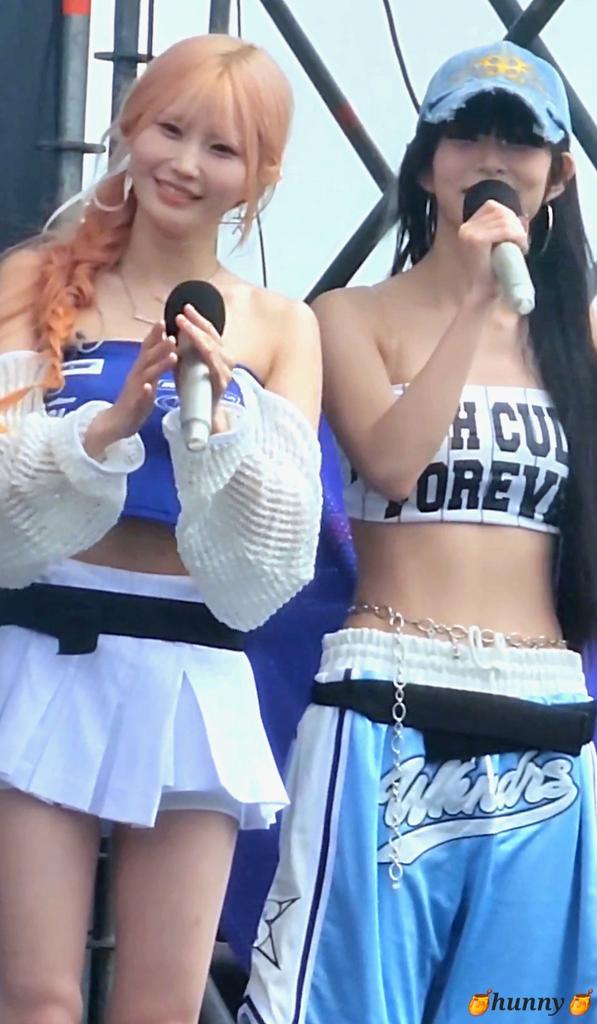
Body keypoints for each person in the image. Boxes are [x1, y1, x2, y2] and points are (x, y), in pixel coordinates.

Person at [240, 41, 597, 1024]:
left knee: (516, 1009)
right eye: (467, 134)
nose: (491, 157)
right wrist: (475, 307)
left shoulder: (579, 341)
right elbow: (394, 463)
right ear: (425, 164)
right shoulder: (350, 317)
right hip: (389, 701)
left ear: (558, 175)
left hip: (540, 712)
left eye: (518, 140)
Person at [0, 33, 322, 1024]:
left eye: (220, 148)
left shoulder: (281, 325)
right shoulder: (31, 282)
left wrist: (216, 432)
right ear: (128, 129)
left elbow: (276, 557)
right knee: (38, 999)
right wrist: (102, 431)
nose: (185, 164)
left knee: (161, 1007)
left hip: (192, 665)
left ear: (259, 179)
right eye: (169, 130)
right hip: (45, 644)